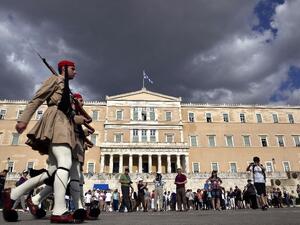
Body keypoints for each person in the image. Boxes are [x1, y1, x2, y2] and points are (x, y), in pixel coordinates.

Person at [3, 60, 86, 223]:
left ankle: (13, 194)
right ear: (63, 69)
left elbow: (68, 113)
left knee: (52, 171)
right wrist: (23, 119)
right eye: (73, 69)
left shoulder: (68, 90)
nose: (75, 72)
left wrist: (79, 119)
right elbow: (38, 98)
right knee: (65, 162)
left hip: (65, 125)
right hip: (57, 123)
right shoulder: (55, 80)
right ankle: (59, 210)